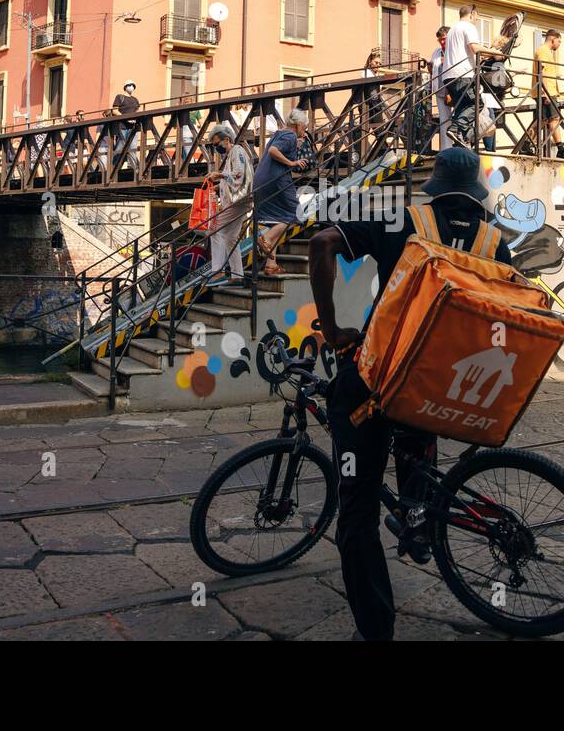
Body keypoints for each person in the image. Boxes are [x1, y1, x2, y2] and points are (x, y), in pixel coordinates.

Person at [308, 147, 514, 642]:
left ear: (436, 185)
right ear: (477, 193)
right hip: (445, 386)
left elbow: (320, 243)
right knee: (419, 428)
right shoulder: (495, 243)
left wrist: (335, 328)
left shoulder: (404, 222)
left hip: (379, 380)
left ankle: (376, 630)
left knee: (356, 513)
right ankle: (418, 518)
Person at [253, 109, 310, 275]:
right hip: (276, 180)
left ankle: (271, 264)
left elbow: (276, 149)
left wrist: (297, 145)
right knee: (296, 215)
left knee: (277, 219)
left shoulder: (280, 134)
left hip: (261, 180)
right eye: (304, 128)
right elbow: (273, 152)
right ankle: (267, 238)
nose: (304, 131)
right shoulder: (290, 136)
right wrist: (292, 163)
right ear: (298, 125)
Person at [441, 5, 506, 151]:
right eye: (477, 16)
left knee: (462, 107)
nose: (477, 19)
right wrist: (494, 52)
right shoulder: (468, 27)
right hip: (463, 74)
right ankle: (456, 129)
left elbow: (469, 52)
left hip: (449, 75)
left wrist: (488, 53)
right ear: (472, 14)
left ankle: (460, 141)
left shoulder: (452, 30)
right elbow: (475, 48)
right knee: (476, 104)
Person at [204, 123, 252, 288]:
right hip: (240, 201)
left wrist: (219, 174)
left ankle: (218, 271)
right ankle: (237, 276)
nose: (216, 147)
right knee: (231, 238)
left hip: (238, 201)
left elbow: (238, 174)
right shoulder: (233, 153)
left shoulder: (236, 151)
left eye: (217, 144)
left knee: (213, 227)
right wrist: (219, 185)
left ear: (227, 139)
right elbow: (234, 178)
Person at [533, 30, 564, 159]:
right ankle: (560, 148)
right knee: (553, 119)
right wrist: (545, 93)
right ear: (553, 39)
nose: (559, 44)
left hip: (546, 91)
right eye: (559, 41)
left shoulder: (545, 51)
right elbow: (541, 72)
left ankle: (526, 144)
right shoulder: (544, 51)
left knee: (543, 120)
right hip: (547, 91)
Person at [429, 26, 451, 150]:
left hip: (453, 88)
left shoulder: (454, 50)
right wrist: (430, 66)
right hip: (440, 89)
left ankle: (462, 146)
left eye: (444, 39)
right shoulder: (436, 52)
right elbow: (433, 68)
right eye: (440, 40)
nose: (442, 42)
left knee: (459, 118)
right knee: (444, 120)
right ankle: (446, 148)